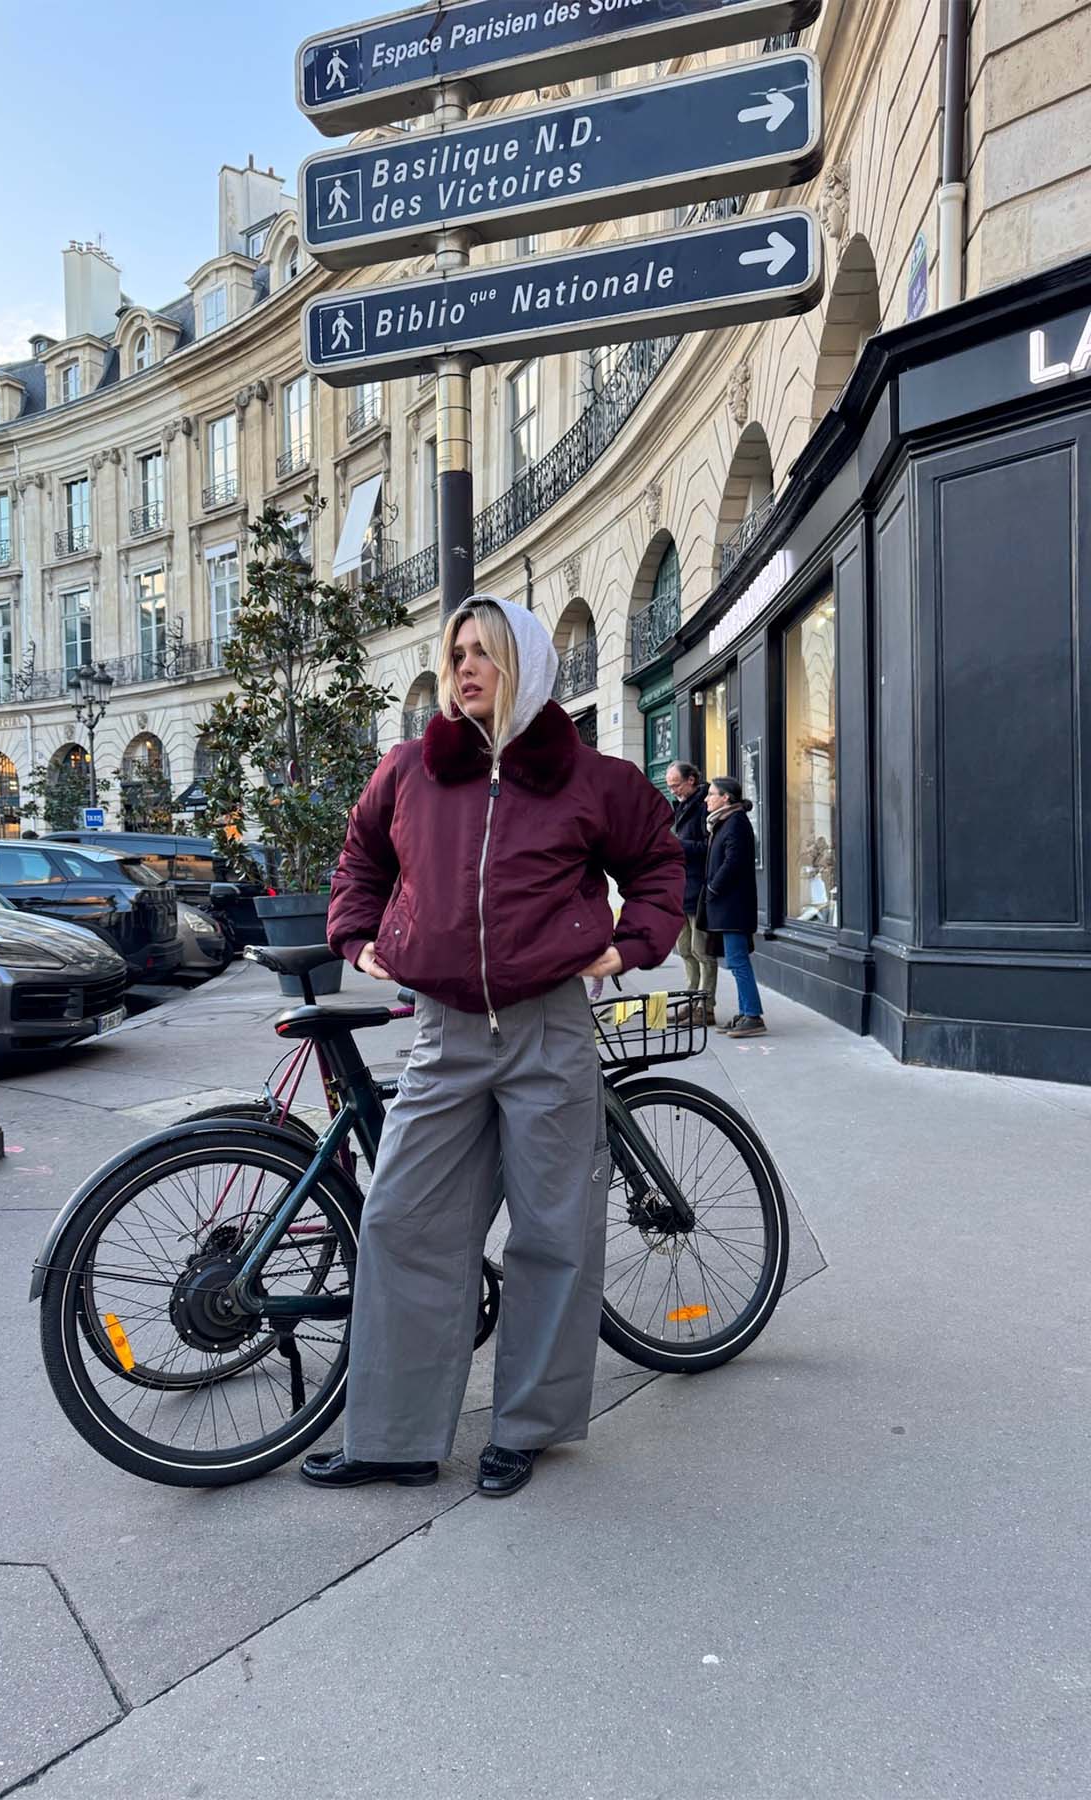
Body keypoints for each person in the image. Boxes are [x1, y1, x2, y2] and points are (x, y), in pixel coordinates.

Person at [307, 595, 684, 1499]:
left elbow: (661, 864)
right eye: (457, 652)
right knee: (404, 1222)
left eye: (484, 652)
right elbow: (359, 859)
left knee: (553, 1234)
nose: (464, 667)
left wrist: (628, 945)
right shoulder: (408, 771)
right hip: (444, 1033)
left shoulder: (591, 779)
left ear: (526, 665)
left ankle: (528, 1427)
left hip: (550, 1025)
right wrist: (356, 935)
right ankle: (394, 1436)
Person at [696, 774, 766, 1039]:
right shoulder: (724, 822)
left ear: (726, 797)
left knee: (738, 961)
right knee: (736, 961)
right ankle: (745, 1012)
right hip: (726, 905)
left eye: (711, 793)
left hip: (732, 906)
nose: (707, 798)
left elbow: (733, 862)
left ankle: (752, 1015)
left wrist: (714, 887)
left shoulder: (735, 822)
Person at [664, 761, 717, 1024]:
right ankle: (691, 1000)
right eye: (669, 786)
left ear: (691, 780)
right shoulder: (682, 805)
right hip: (681, 888)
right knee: (684, 948)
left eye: (676, 785)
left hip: (698, 888)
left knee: (701, 950)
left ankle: (705, 1007)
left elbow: (710, 847)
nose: (672, 790)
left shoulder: (705, 803)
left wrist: (678, 845)